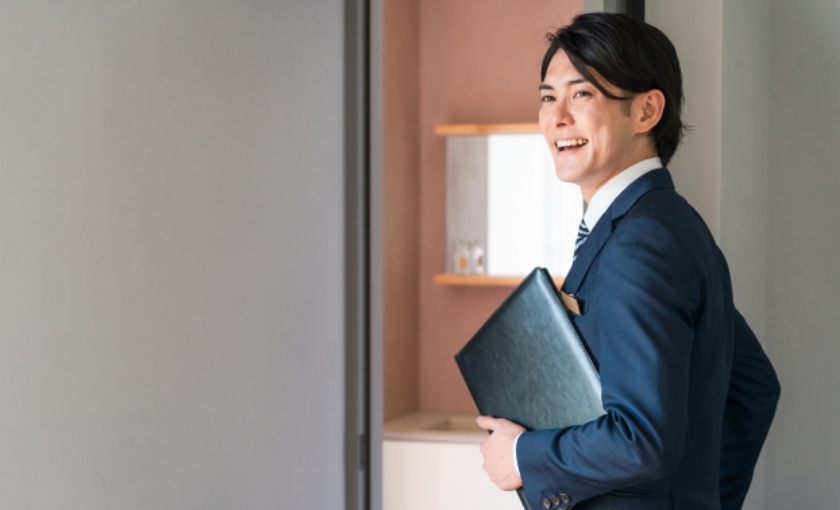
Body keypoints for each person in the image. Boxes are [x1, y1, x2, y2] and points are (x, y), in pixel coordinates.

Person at [475, 12, 780, 510]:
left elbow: (641, 437)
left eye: (582, 94)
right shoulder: (671, 224)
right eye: (548, 97)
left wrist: (522, 456)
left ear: (646, 111)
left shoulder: (641, 244)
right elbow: (753, 387)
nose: (557, 118)